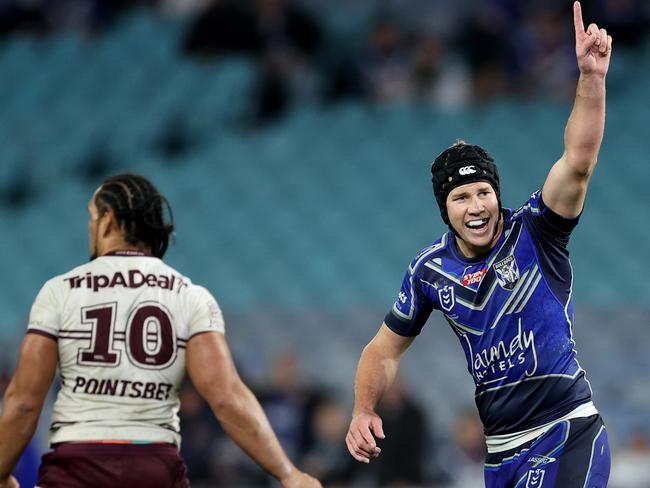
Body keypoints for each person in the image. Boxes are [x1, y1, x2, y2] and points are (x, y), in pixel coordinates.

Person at [346, 3, 612, 487]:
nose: (476, 206)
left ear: (497, 194)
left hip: (565, 432)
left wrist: (591, 78)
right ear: (445, 209)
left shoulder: (536, 229)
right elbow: (382, 351)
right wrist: (363, 409)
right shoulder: (428, 271)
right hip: (499, 454)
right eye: (461, 196)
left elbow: (577, 161)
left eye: (484, 192)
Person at [0, 173, 321, 488]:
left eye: (92, 216)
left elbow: (25, 401)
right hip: (154, 465)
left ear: (108, 220)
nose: (89, 226)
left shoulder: (60, 291)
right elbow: (227, 397)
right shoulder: (190, 296)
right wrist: (288, 474)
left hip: (78, 466)